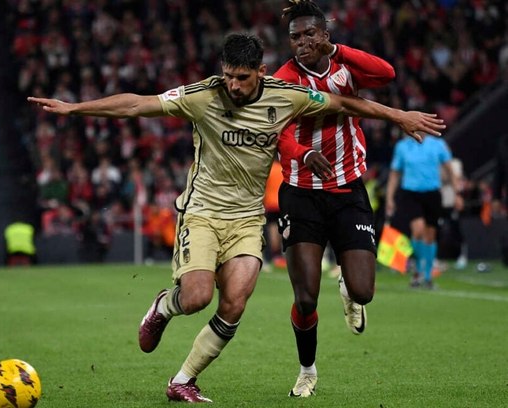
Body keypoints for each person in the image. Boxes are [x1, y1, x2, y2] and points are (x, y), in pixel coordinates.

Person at [28, 33, 444, 403]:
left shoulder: (285, 96)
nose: (233, 85)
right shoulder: (203, 96)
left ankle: (183, 380)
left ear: (260, 73)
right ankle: (163, 307)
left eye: (242, 78)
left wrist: (399, 116)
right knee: (196, 298)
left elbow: (344, 102)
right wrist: (75, 108)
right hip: (202, 213)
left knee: (235, 302)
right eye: (228, 75)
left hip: (247, 218)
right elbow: (138, 104)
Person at [272, 0, 397, 397]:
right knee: (306, 297)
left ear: (325, 34)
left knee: (364, 291)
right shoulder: (284, 79)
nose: (303, 42)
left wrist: (338, 51)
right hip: (301, 192)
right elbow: (280, 131)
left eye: (310, 34)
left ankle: (348, 287)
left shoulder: (346, 67)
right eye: (295, 37)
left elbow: (387, 73)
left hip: (348, 189)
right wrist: (304, 153)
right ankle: (307, 371)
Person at [385, 133, 458, 289]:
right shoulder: (403, 146)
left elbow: (449, 168)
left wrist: (456, 192)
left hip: (432, 192)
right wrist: (390, 197)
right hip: (411, 193)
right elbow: (395, 173)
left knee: (430, 235)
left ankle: (427, 275)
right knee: (417, 230)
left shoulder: (438, 144)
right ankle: (418, 270)